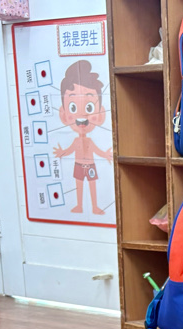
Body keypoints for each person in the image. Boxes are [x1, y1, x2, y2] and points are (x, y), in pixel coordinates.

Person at [53, 60, 113, 215]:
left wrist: (106, 155)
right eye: (73, 107)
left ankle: (94, 206)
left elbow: (97, 151)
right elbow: (70, 150)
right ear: (63, 115)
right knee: (79, 185)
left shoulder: (90, 141)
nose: (82, 116)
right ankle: (79, 205)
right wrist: (61, 153)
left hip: (90, 165)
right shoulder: (76, 141)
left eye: (89, 107)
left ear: (101, 114)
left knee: (92, 185)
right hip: (79, 165)